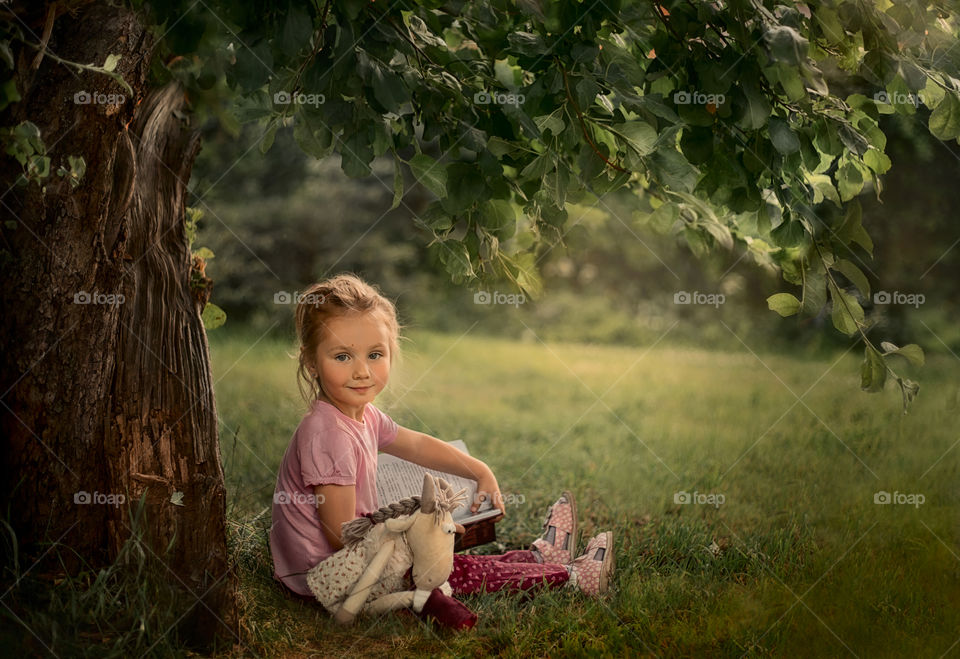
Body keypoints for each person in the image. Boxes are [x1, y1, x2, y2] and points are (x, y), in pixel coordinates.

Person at [269, 273, 615, 607]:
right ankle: (570, 577)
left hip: (353, 560)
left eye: (375, 355)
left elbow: (418, 446)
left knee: (445, 556)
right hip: (328, 578)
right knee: (448, 570)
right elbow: (341, 536)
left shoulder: (363, 414)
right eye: (342, 356)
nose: (362, 371)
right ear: (311, 361)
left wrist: (479, 470)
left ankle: (538, 559)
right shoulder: (329, 434)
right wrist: (420, 529)